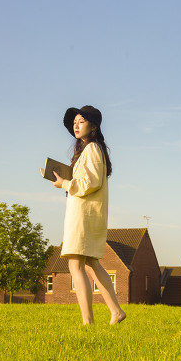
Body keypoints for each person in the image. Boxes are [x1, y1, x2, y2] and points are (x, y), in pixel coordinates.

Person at [51, 105, 126, 325]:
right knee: (92, 262)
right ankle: (115, 311)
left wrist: (63, 183)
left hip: (84, 215)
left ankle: (88, 322)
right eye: (74, 122)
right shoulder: (90, 149)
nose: (76, 125)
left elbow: (91, 183)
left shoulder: (92, 148)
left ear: (93, 126)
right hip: (87, 213)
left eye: (81, 121)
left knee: (75, 265)